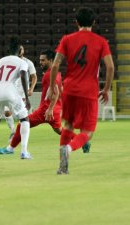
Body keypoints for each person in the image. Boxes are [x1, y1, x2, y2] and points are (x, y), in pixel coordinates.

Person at [49, 7, 114, 174]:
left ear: (76, 22)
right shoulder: (101, 41)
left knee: (68, 125)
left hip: (69, 89)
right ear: (93, 22)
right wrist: (105, 89)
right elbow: (110, 67)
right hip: (89, 91)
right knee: (88, 132)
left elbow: (55, 64)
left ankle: (63, 167)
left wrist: (51, 87)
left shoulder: (67, 39)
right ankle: (69, 149)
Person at [0, 49, 91, 155]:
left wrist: (49, 109)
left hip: (46, 110)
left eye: (43, 60)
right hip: (53, 109)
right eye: (40, 60)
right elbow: (61, 90)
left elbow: (56, 92)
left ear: (50, 60)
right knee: (59, 130)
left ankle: (10, 149)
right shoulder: (57, 73)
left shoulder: (49, 75)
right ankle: (83, 142)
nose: (40, 62)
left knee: (22, 123)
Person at [3, 45, 37, 141]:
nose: (19, 50)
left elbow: (34, 77)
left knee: (21, 116)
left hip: (22, 92)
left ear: (23, 51)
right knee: (6, 112)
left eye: (21, 48)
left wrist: (31, 89)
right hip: (10, 91)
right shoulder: (9, 61)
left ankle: (19, 135)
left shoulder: (28, 62)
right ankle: (13, 131)